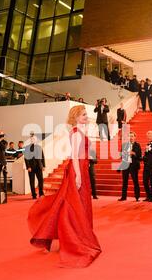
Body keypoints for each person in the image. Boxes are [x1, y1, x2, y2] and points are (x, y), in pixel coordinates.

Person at [28, 105, 101, 268]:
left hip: (82, 168)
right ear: (75, 117)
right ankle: (76, 238)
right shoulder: (76, 133)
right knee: (75, 204)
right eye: (83, 115)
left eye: (86, 115)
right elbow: (74, 156)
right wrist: (79, 175)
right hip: (78, 169)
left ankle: (78, 235)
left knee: (75, 203)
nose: (86, 117)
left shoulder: (79, 132)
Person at [118, 132, 141, 202]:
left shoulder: (137, 145)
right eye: (129, 136)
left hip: (134, 165)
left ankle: (137, 197)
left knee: (135, 181)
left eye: (132, 136)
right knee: (124, 182)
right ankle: (123, 197)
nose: (131, 138)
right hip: (125, 165)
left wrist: (133, 153)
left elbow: (139, 155)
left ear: (134, 137)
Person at [24, 133, 45, 199]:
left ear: (36, 140)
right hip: (31, 167)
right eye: (31, 139)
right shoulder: (27, 148)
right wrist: (28, 167)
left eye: (33, 139)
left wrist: (43, 166)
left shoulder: (39, 147)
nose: (32, 140)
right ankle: (33, 195)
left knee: (41, 180)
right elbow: (26, 158)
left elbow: (42, 157)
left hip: (39, 167)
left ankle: (41, 193)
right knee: (32, 181)